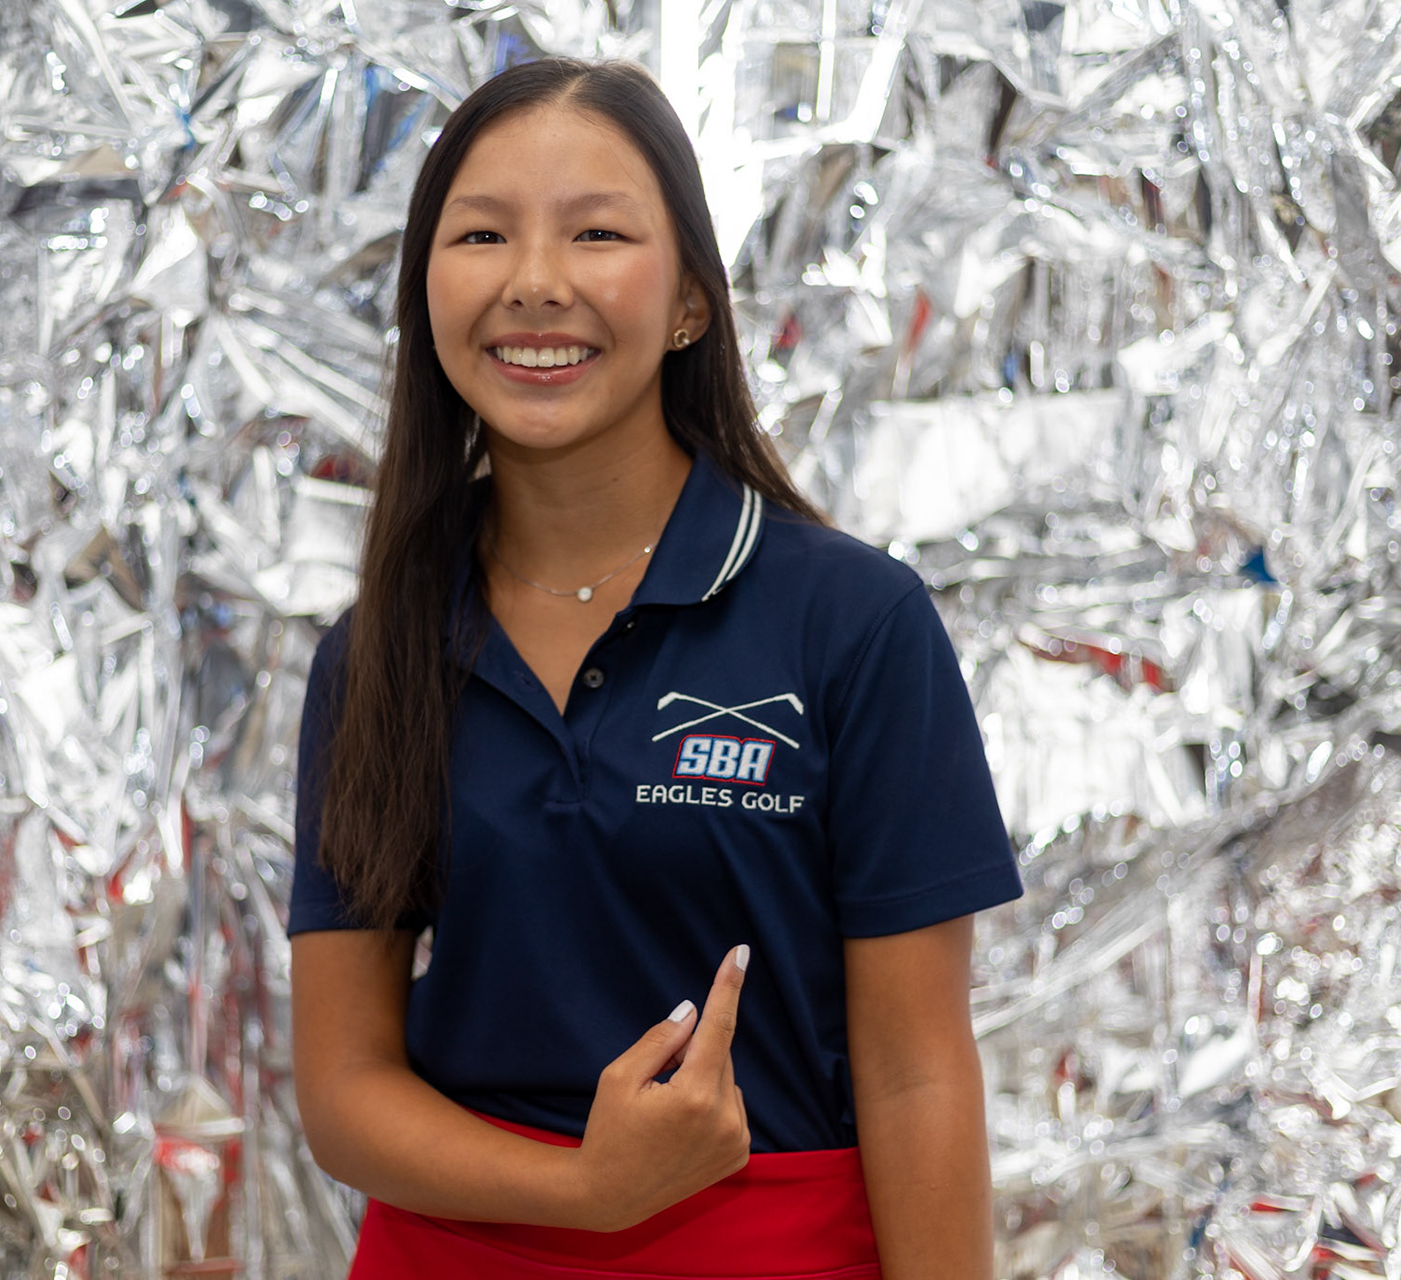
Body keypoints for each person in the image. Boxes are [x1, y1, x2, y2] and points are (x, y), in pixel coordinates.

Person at [285, 57, 1023, 1280]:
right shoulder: (376, 653)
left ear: (688, 298)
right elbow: (344, 1085)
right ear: (426, 293)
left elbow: (917, 1070)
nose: (535, 283)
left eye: (596, 233)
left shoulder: (852, 621)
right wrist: (584, 1188)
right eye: (482, 233)